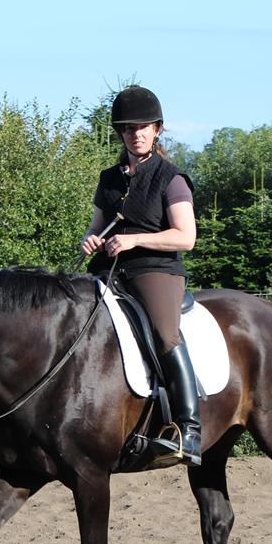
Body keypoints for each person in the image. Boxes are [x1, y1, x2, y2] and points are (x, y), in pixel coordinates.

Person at [81, 85, 201, 466]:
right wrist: (91, 241)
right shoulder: (109, 179)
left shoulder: (171, 178)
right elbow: (96, 226)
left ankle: (189, 428)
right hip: (111, 270)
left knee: (165, 334)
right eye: (128, 128)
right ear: (121, 133)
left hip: (156, 270)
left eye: (143, 127)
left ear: (157, 130)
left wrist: (134, 241)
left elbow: (187, 236)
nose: (136, 133)